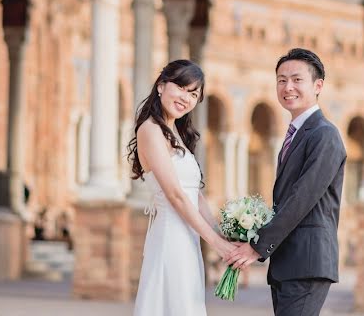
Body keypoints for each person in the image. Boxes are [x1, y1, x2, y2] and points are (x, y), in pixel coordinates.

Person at [229, 48, 347, 316]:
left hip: (306, 260)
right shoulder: (297, 133)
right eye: (281, 80)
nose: (288, 87)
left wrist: (257, 246)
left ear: (318, 86)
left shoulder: (324, 134)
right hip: (289, 261)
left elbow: (302, 198)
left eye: (296, 79)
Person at [131, 60, 238, 316]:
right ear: (160, 86)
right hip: (170, 237)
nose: (186, 98)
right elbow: (176, 196)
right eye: (180, 87)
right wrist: (215, 243)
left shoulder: (176, 132)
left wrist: (221, 233)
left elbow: (194, 193)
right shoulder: (150, 129)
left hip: (187, 240)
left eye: (193, 94)